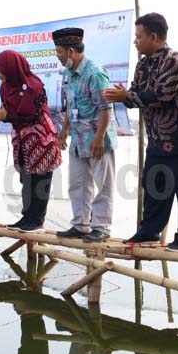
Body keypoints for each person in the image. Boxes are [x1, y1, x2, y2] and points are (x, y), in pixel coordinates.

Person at [104, 13, 178, 252]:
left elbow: (162, 96)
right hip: (157, 138)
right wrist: (124, 96)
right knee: (154, 186)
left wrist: (127, 96)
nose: (135, 41)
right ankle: (149, 232)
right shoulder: (143, 63)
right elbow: (135, 96)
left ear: (154, 36)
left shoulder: (174, 61)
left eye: (139, 36)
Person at [0, 50, 62, 232]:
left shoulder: (33, 86)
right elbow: (9, 110)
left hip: (40, 139)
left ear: (12, 68)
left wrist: (7, 116)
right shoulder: (5, 87)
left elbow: (30, 114)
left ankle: (37, 220)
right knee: (26, 178)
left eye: (1, 70)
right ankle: (26, 217)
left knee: (40, 178)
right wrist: (2, 115)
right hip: (22, 140)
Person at [55, 28, 117, 242]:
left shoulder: (95, 73)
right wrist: (64, 132)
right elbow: (70, 105)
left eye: (60, 53)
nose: (59, 58)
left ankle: (101, 226)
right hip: (78, 139)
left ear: (71, 51)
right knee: (78, 183)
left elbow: (106, 108)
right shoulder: (68, 75)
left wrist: (100, 137)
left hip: (97, 139)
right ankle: (80, 224)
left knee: (103, 184)